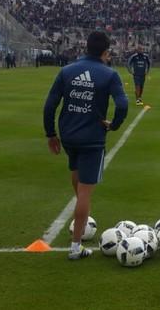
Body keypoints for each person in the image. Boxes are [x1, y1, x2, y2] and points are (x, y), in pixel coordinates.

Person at [43, 32, 129, 260]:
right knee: (84, 192)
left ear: (85, 48)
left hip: (69, 136)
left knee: (77, 176)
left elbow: (50, 105)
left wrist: (51, 134)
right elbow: (122, 104)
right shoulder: (109, 74)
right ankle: (75, 247)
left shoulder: (67, 71)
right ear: (106, 52)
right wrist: (114, 125)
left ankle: (81, 218)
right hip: (92, 138)